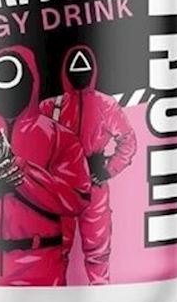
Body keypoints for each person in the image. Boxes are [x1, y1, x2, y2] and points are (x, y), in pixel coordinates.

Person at [0, 46, 91, 285]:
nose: (8, 94)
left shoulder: (59, 138)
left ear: (32, 83)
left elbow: (76, 198)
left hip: (43, 266)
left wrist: (18, 170)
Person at [39, 45, 137, 284]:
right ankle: (54, 290)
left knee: (98, 247)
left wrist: (108, 169)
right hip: (61, 186)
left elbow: (128, 140)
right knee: (56, 246)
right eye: (74, 69)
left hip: (93, 185)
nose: (79, 74)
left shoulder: (106, 105)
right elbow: (33, 142)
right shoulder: (51, 107)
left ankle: (100, 289)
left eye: (84, 69)